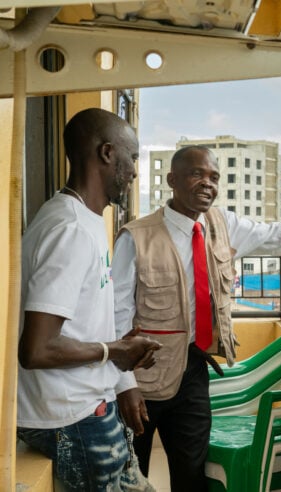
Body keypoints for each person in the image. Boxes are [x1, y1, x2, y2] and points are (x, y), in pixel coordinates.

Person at [111, 145, 281, 492]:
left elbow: (276, 236)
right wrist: (125, 386)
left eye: (214, 177)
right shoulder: (136, 237)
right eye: (196, 174)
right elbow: (116, 314)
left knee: (191, 473)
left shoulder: (223, 224)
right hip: (144, 375)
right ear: (172, 180)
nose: (207, 184)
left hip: (194, 371)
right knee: (132, 475)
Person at [17, 108, 162, 491]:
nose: (134, 171)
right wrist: (115, 352)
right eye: (133, 157)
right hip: (71, 420)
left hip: (87, 412)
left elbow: (84, 325)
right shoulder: (69, 229)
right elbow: (36, 349)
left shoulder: (85, 220)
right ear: (107, 153)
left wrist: (121, 376)